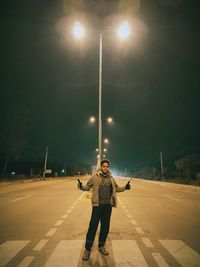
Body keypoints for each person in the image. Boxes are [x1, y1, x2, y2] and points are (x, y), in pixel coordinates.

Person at [77, 159, 131, 261]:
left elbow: (116, 188)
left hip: (107, 206)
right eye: (104, 166)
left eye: (107, 166)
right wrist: (80, 186)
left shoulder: (111, 178)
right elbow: (87, 187)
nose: (106, 168)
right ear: (101, 167)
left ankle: (101, 245)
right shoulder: (95, 177)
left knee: (105, 227)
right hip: (97, 206)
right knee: (93, 226)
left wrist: (125, 188)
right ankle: (87, 249)